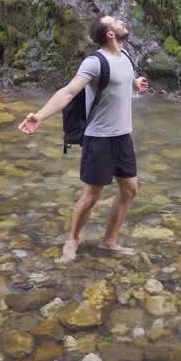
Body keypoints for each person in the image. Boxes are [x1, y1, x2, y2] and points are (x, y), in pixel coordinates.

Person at [19, 15, 150, 261]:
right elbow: (68, 92)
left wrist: (136, 84)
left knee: (130, 190)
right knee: (92, 196)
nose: (122, 22)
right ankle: (72, 240)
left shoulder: (126, 57)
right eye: (115, 21)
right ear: (109, 34)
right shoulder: (94, 62)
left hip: (123, 136)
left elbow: (122, 82)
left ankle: (109, 242)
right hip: (99, 138)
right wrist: (40, 116)